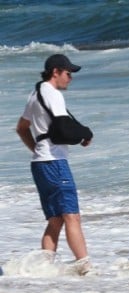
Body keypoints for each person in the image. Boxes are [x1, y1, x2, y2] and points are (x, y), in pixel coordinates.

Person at [15, 54, 93, 275]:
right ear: (56, 72)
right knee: (71, 216)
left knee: (56, 220)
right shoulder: (53, 94)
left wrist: (37, 149)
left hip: (40, 164)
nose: (71, 78)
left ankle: (44, 268)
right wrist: (85, 134)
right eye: (68, 73)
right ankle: (85, 267)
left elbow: (21, 128)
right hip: (55, 162)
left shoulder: (35, 93)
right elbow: (63, 129)